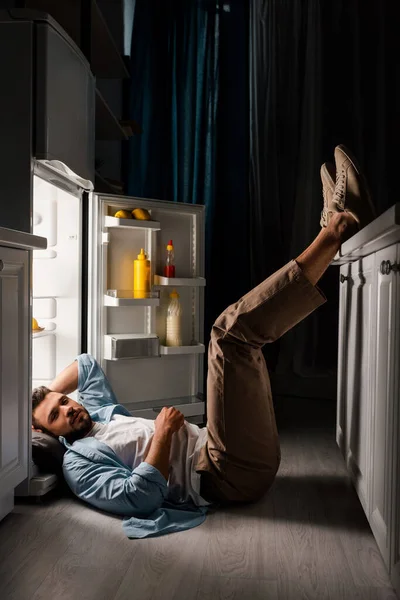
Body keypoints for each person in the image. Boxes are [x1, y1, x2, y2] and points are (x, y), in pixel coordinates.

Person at [32, 144, 376, 538]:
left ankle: (335, 227)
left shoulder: (99, 414)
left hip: (221, 445)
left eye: (64, 402)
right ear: (51, 434)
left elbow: (87, 364)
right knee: (230, 336)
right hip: (223, 474)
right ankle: (338, 226)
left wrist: (41, 401)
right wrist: (161, 435)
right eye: (57, 416)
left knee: (236, 339)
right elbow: (137, 498)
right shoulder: (77, 465)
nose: (68, 409)